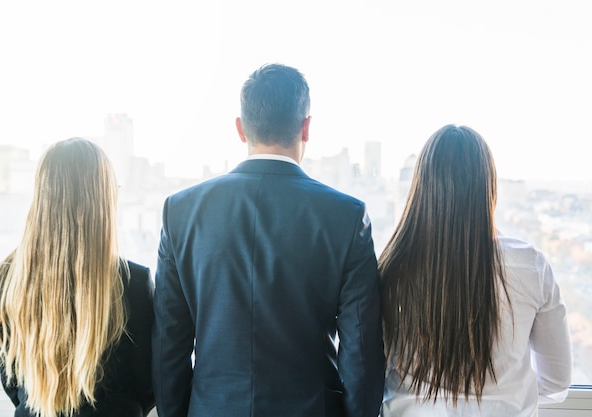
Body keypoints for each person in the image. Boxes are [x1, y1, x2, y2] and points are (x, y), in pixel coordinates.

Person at [152, 63, 385, 417]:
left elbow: (170, 346)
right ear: (306, 128)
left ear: (241, 129)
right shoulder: (346, 217)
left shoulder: (181, 212)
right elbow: (361, 355)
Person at [378, 124, 572, 416]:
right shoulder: (530, 266)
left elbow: (369, 370)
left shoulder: (393, 267)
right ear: (489, 185)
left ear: (422, 187)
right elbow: (556, 382)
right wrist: (505, 396)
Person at [0, 138, 155, 417]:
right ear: (103, 200)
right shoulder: (133, 282)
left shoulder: (7, 278)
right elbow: (146, 385)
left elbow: (12, 382)